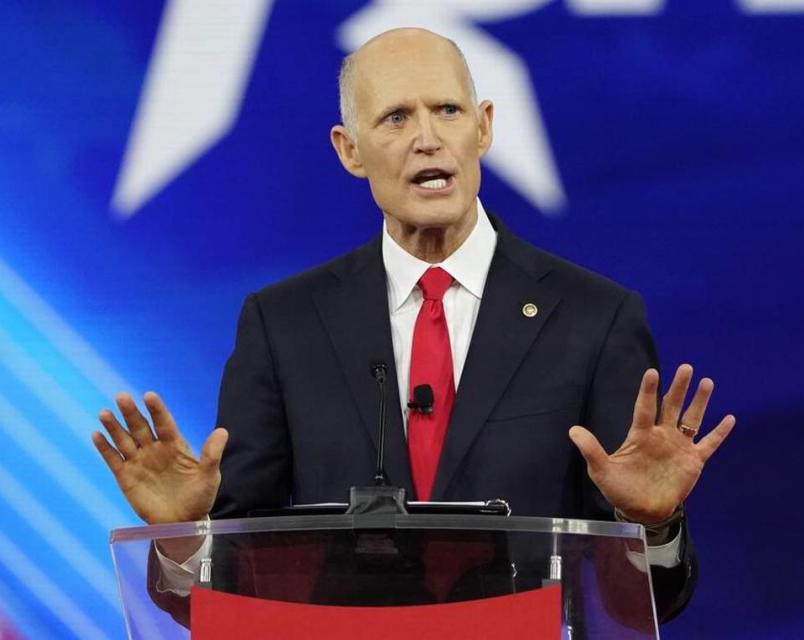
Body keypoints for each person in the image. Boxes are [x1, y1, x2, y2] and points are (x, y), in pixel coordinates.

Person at [92, 28, 735, 622]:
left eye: (447, 111)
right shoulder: (283, 325)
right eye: (396, 117)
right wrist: (182, 538)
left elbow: (644, 605)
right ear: (350, 151)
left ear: (483, 129)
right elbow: (233, 594)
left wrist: (648, 525)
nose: (427, 137)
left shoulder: (594, 317)